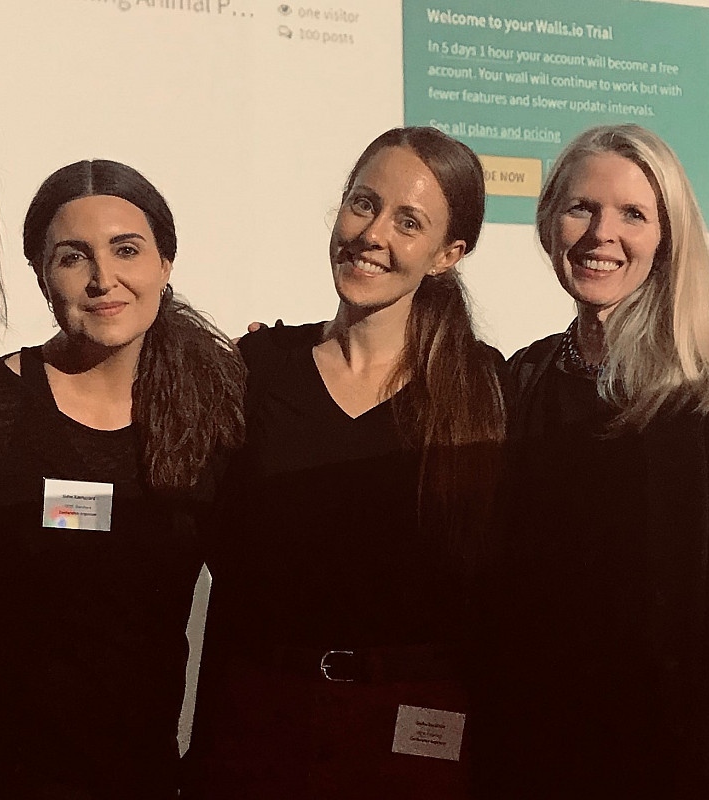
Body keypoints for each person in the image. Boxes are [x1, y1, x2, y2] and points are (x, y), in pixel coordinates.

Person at [183, 127, 506, 798]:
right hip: (260, 732)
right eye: (364, 203)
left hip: (412, 746)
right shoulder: (258, 369)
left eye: (408, 222)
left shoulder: (485, 390)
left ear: (448, 255)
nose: (372, 233)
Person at [487, 124, 709, 799]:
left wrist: (702, 772)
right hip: (539, 756)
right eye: (582, 208)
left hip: (677, 765)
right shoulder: (524, 379)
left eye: (633, 214)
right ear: (549, 222)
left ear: (668, 239)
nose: (602, 234)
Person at [0, 159, 245, 800]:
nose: (103, 279)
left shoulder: (213, 411)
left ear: (165, 264)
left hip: (144, 777)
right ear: (41, 275)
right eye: (73, 257)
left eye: (126, 250)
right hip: (3, 778)